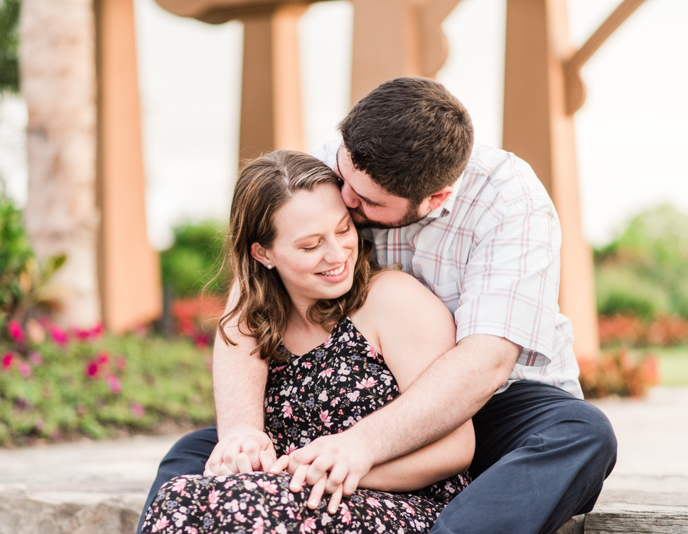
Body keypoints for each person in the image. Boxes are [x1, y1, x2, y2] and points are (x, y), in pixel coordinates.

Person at [138, 77, 617, 534]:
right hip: (355, 400)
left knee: (581, 433)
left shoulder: (510, 203)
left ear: (436, 198)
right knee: (194, 455)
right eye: (343, 176)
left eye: (360, 206)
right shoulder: (343, 169)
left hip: (493, 399)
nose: (344, 200)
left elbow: (486, 362)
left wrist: (360, 446)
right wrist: (242, 431)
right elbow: (251, 300)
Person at [140, 150, 473, 533]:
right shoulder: (252, 315)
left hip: (397, 502)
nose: (337, 254)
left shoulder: (393, 300)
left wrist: (342, 472)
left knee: (246, 507)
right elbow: (241, 432)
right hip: (287, 498)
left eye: (344, 229)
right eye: (311, 245)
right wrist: (241, 449)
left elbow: (457, 448)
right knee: (178, 497)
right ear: (263, 253)